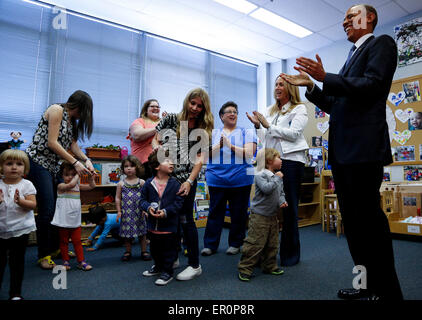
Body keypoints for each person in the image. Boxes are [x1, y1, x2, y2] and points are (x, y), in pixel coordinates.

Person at [282, 4, 403, 300]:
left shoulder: (381, 44)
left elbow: (373, 86)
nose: (345, 21)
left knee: (370, 225)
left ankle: (388, 293)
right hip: (342, 153)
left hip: (363, 152)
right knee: (354, 227)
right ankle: (365, 286)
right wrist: (312, 87)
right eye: (345, 17)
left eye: (351, 15)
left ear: (370, 18)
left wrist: (326, 76)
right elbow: (338, 105)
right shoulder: (351, 58)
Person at [26, 90, 94, 269]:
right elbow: (52, 142)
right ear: (80, 107)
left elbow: (73, 145)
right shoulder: (56, 110)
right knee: (47, 209)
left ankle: (56, 249)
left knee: (58, 208)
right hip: (38, 162)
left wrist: (86, 160)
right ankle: (43, 255)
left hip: (53, 166)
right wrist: (75, 162)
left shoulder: (71, 122)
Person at [153, 87, 214, 281]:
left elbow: (199, 158)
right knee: (169, 220)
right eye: (192, 103)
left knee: (186, 220)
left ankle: (195, 265)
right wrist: (159, 151)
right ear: (187, 101)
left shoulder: (203, 128)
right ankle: (172, 259)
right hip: (168, 177)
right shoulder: (171, 119)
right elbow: (155, 140)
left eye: (199, 106)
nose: (195, 108)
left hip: (187, 178)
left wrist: (189, 181)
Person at [247, 75, 309, 266]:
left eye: (281, 84)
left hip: (290, 161)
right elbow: (264, 138)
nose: (277, 87)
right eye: (275, 84)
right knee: (267, 208)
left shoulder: (299, 108)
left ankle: (290, 255)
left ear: (290, 88)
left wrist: (267, 125)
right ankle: (266, 254)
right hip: (270, 162)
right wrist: (258, 126)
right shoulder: (270, 111)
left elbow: (295, 134)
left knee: (288, 209)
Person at [202, 101, 256, 256]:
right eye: (229, 111)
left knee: (238, 213)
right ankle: (210, 245)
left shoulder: (247, 132)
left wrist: (230, 146)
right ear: (221, 116)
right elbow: (204, 155)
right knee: (215, 213)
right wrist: (219, 145)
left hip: (240, 179)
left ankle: (236, 243)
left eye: (235, 112)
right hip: (216, 179)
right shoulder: (212, 133)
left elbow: (249, 153)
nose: (233, 114)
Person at [237, 148, 287, 282]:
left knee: (273, 243)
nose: (281, 160)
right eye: (278, 158)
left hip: (272, 215)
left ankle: (270, 266)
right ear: (269, 160)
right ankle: (245, 268)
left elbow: (280, 192)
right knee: (255, 243)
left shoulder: (276, 176)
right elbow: (266, 189)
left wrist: (282, 201)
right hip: (259, 216)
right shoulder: (260, 174)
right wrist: (277, 178)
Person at [140, 152, 185, 286]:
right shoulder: (148, 183)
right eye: (167, 161)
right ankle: (158, 267)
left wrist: (165, 212)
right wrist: (148, 208)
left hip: (169, 226)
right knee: (154, 249)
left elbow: (178, 203)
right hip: (152, 227)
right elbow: (142, 200)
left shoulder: (176, 184)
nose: (171, 163)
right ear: (157, 166)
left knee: (169, 250)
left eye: (172, 161)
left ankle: (167, 272)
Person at [0, 150, 37, 300]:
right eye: (9, 164)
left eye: (19, 164)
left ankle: (15, 293)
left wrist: (21, 202)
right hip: (1, 230)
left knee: (17, 263)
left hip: (21, 229)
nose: (14, 167)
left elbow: (33, 204)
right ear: (2, 167)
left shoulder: (26, 184)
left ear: (25, 168)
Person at [51, 161, 95, 271]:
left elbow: (92, 186)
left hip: (75, 220)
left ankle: (81, 261)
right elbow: (70, 185)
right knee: (64, 242)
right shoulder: (61, 186)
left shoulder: (77, 186)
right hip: (63, 220)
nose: (70, 177)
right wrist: (78, 173)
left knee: (77, 242)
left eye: (72, 174)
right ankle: (65, 261)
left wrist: (91, 177)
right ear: (61, 176)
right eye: (67, 175)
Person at [116, 155, 150, 261]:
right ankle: (128, 251)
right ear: (123, 169)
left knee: (142, 233)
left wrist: (146, 209)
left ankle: (144, 251)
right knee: (127, 234)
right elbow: (118, 198)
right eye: (126, 166)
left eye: (132, 166)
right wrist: (119, 211)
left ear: (137, 167)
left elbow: (145, 197)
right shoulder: (121, 184)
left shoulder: (141, 182)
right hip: (126, 213)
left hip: (139, 212)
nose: (129, 168)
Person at [127, 99, 166, 179]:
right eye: (152, 106)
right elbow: (137, 135)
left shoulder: (163, 122)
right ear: (146, 109)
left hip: (159, 165)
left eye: (157, 107)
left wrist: (167, 122)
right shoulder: (139, 121)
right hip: (141, 165)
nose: (156, 108)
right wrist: (160, 126)